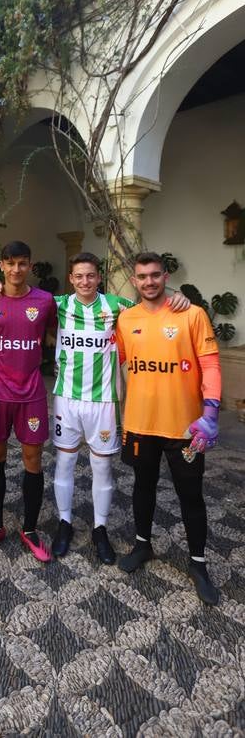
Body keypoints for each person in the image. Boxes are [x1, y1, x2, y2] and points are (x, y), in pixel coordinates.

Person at [0, 252, 190, 565]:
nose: (85, 281)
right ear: (71, 279)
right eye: (79, 276)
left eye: (91, 276)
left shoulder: (117, 306)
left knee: (102, 467)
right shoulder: (56, 304)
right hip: (66, 399)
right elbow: (20, 296)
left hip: (104, 402)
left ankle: (100, 529)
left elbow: (152, 306)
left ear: (99, 277)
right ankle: (64, 524)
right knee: (64, 464)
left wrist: (179, 298)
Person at [115, 252, 222, 605]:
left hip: (185, 428)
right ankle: (143, 546)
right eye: (142, 276)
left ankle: (198, 564)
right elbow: (121, 363)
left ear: (165, 276)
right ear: (134, 280)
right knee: (142, 487)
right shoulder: (126, 319)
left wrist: (211, 411)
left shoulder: (192, 314)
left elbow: (210, 365)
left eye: (155, 275)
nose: (149, 282)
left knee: (190, 496)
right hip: (141, 424)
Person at [0, 240, 58, 561]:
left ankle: (31, 529)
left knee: (32, 460)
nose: (16, 270)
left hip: (32, 394)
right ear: (1, 266)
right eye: (10, 263)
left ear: (30, 265)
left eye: (22, 263)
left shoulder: (46, 301)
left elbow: (51, 333)